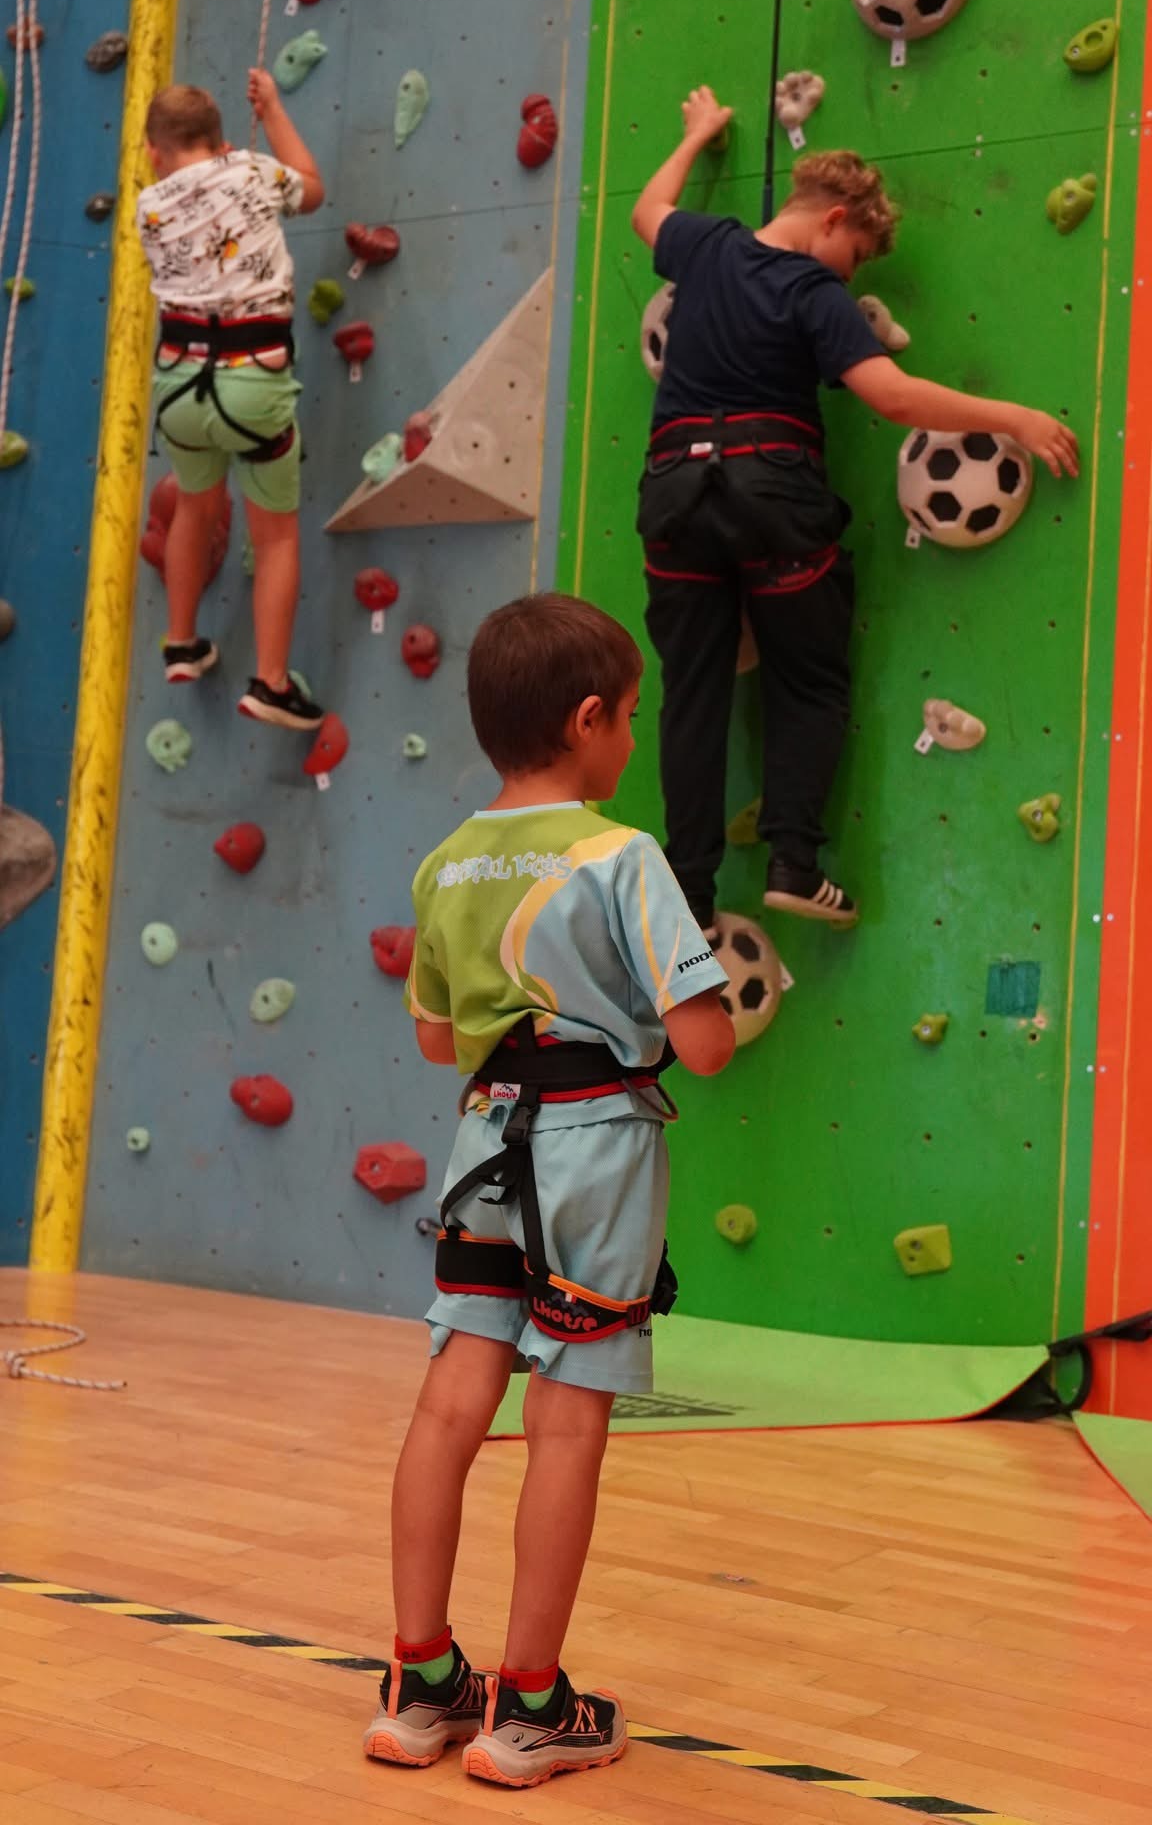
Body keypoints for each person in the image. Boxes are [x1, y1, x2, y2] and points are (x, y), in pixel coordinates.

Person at [362, 591, 734, 1788]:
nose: (632, 735)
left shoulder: (445, 862)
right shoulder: (622, 855)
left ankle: (422, 1681)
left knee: (448, 1407)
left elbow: (437, 1039)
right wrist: (698, 1002)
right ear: (586, 720)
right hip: (593, 1153)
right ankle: (529, 1707)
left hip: (484, 1145)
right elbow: (706, 1043)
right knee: (566, 1418)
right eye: (630, 714)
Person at [631, 87, 1079, 933]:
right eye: (858, 255)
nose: (853, 273)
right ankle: (794, 864)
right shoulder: (813, 291)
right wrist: (1014, 417)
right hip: (771, 496)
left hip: (675, 495)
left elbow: (647, 211)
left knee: (691, 696)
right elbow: (894, 397)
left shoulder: (708, 246)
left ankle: (686, 896)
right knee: (809, 679)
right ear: (833, 218)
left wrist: (695, 134)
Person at [136, 73, 326, 730]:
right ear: (220, 140)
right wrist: (271, 111)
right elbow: (312, 187)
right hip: (252, 379)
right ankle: (270, 683)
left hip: (178, 385)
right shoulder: (251, 171)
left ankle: (181, 643)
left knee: (195, 506)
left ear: (153, 152)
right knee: (273, 538)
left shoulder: (148, 206)